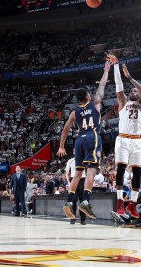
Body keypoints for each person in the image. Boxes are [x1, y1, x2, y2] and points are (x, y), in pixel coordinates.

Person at [56, 58, 110, 219]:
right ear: (87, 95)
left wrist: (61, 146)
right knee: (91, 171)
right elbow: (102, 85)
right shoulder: (96, 103)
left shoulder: (74, 112)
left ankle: (68, 203)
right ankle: (85, 201)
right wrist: (106, 70)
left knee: (78, 173)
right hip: (92, 136)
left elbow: (65, 129)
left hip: (78, 140)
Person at [107, 53, 141, 219]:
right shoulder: (123, 102)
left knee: (137, 173)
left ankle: (132, 204)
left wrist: (130, 77)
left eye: (135, 91)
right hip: (123, 138)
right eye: (131, 91)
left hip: (137, 141)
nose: (133, 92)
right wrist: (116, 66)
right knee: (121, 168)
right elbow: (118, 86)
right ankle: (119, 202)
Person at [64, 156, 87, 225]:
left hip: (82, 180)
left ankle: (83, 220)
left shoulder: (85, 159)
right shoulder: (70, 161)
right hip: (73, 179)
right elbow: (67, 173)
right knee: (73, 200)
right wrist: (68, 182)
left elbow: (89, 171)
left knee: (82, 201)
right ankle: (72, 218)